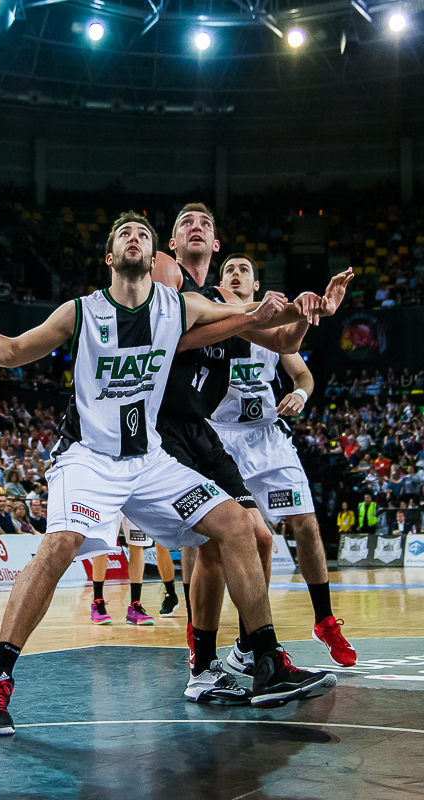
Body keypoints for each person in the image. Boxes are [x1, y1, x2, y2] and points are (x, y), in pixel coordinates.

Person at [0, 209, 337, 737]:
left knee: (239, 525)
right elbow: (12, 351)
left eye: (143, 234)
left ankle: (265, 660)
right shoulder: (81, 311)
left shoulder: (179, 307)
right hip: (88, 458)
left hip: (148, 461)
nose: (135, 238)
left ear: (154, 256)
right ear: (111, 257)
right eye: (125, 234)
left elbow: (251, 314)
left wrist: (307, 306)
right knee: (58, 546)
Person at [150, 205, 351, 672]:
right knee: (208, 543)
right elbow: (172, 333)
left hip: (226, 433)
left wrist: (312, 310)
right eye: (186, 223)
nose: (197, 227)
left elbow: (285, 343)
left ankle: (253, 648)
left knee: (262, 537)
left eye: (205, 223)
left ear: (216, 241)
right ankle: (205, 653)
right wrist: (253, 315)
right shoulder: (170, 277)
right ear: (173, 244)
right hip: (175, 429)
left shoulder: (229, 304)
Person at [205, 252, 356, 670]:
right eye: (229, 270)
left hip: (267, 437)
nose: (236, 274)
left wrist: (301, 394)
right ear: (220, 285)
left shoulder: (271, 326)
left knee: (306, 523)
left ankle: (324, 620)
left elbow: (302, 372)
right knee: (234, 542)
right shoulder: (211, 319)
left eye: (244, 270)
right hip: (220, 438)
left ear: (257, 285)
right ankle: (228, 639)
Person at [91, 514, 154, 626]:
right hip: (110, 503)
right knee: (102, 544)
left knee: (137, 545)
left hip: (135, 503)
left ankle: (135, 605)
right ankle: (98, 602)